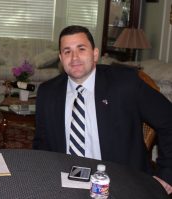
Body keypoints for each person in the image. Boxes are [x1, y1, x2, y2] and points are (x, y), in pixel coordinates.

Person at [33, 25, 172, 194]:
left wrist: (166, 174)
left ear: (95, 54)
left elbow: (168, 120)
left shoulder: (126, 84)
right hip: (67, 181)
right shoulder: (48, 92)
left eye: (81, 49)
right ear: (61, 59)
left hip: (122, 183)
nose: (74, 57)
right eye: (67, 51)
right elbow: (42, 143)